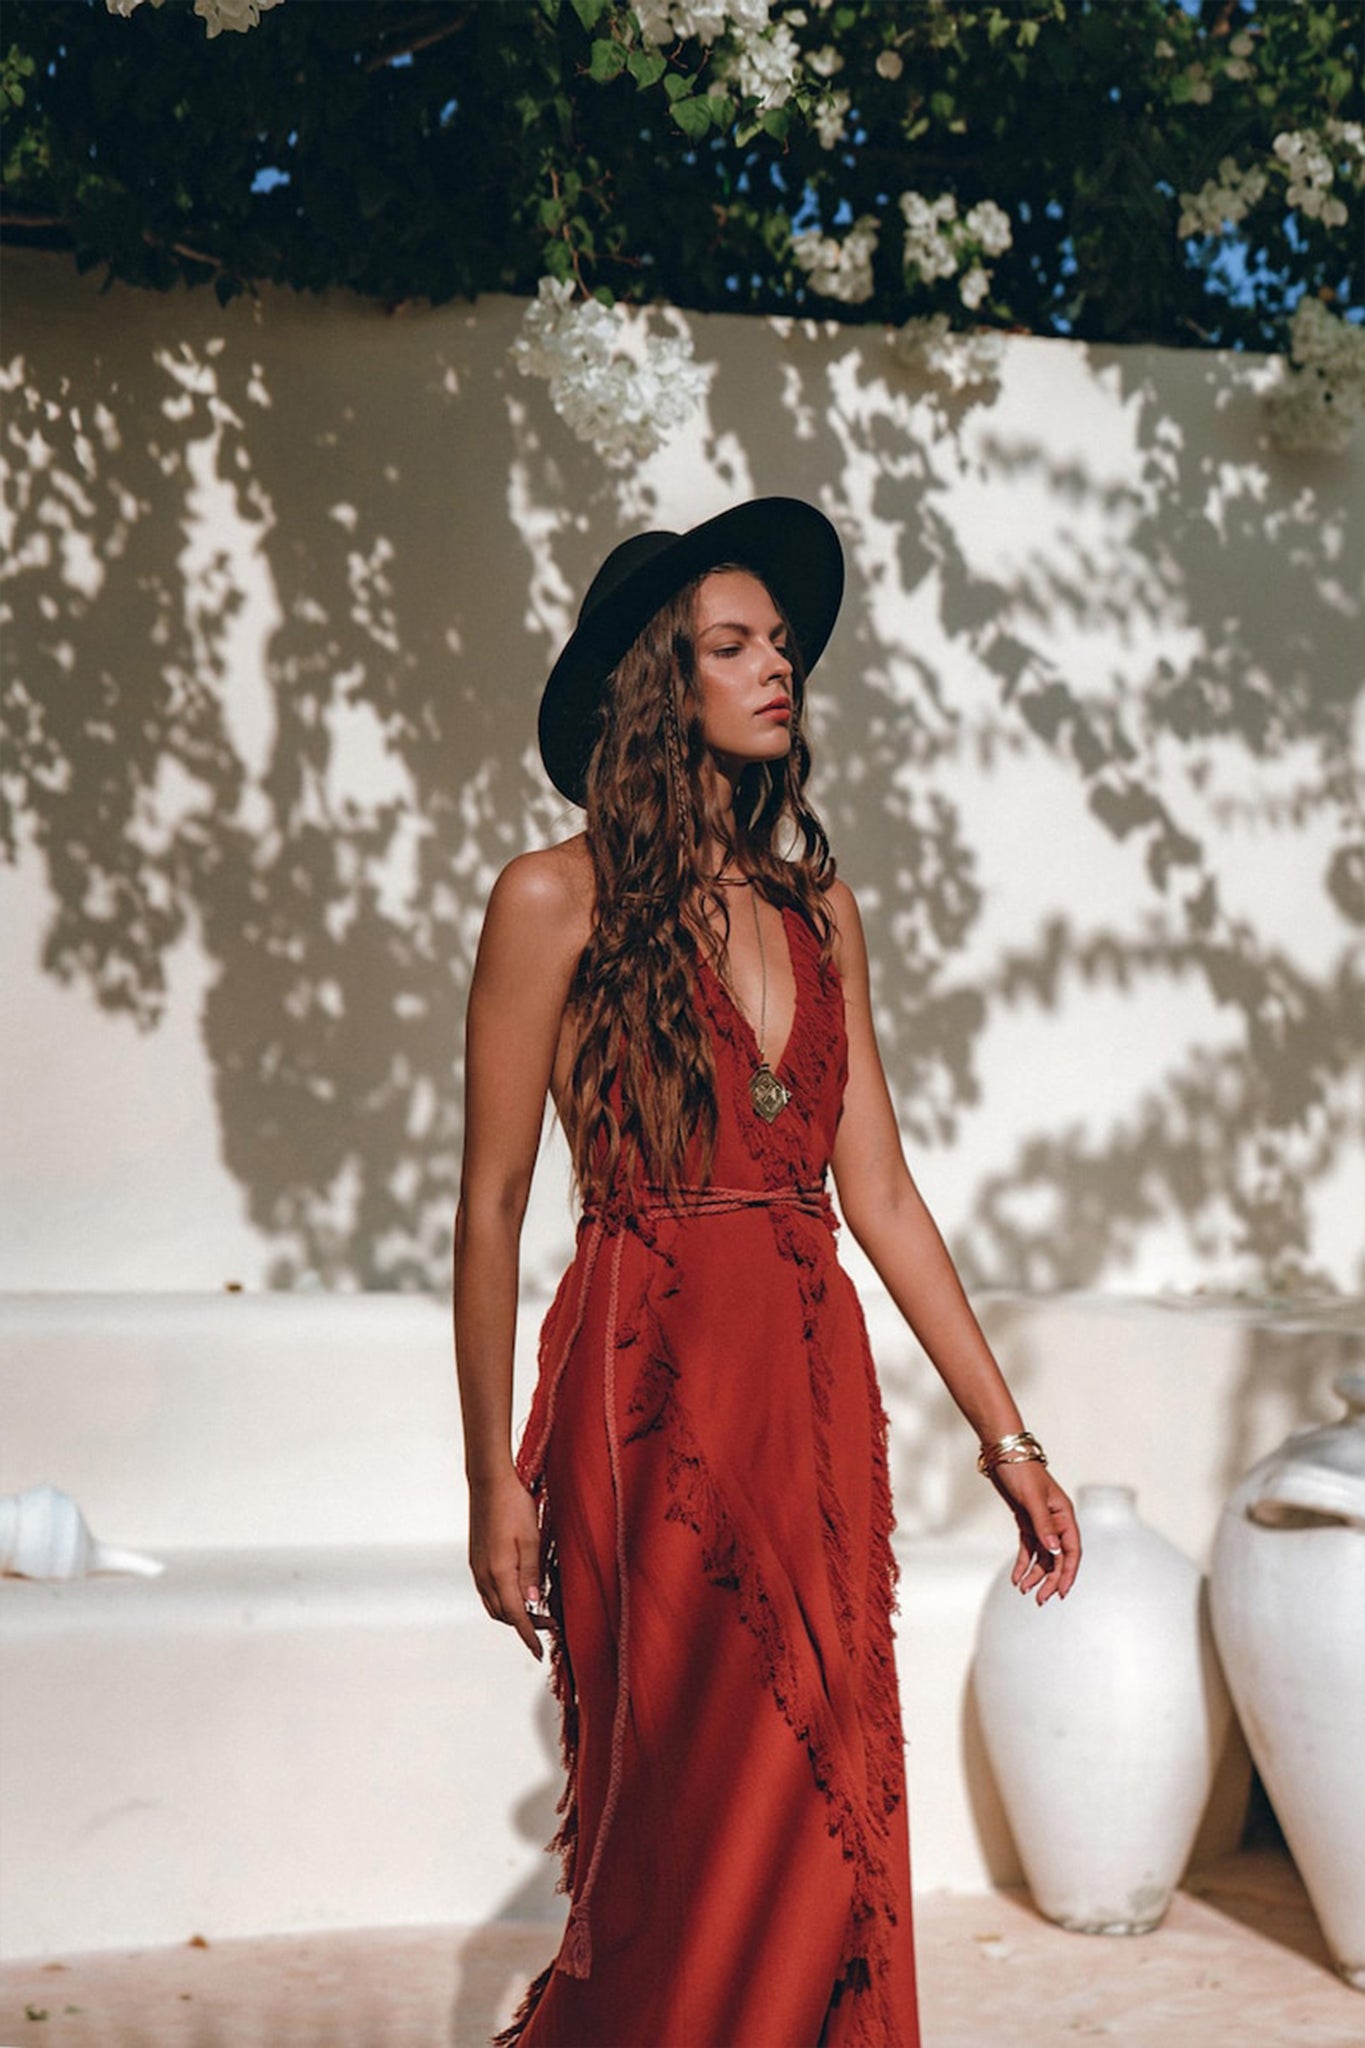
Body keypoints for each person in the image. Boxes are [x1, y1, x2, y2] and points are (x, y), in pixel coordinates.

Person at [453, 497, 1080, 2048]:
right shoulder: (551, 896)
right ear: (660, 684)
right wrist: (490, 1481)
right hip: (643, 1388)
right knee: (681, 1829)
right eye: (730, 646)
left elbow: (880, 1191)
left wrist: (1009, 1440)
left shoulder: (821, 915)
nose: (774, 669)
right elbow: (487, 1206)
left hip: (806, 1394)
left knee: (823, 1813)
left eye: (781, 645)